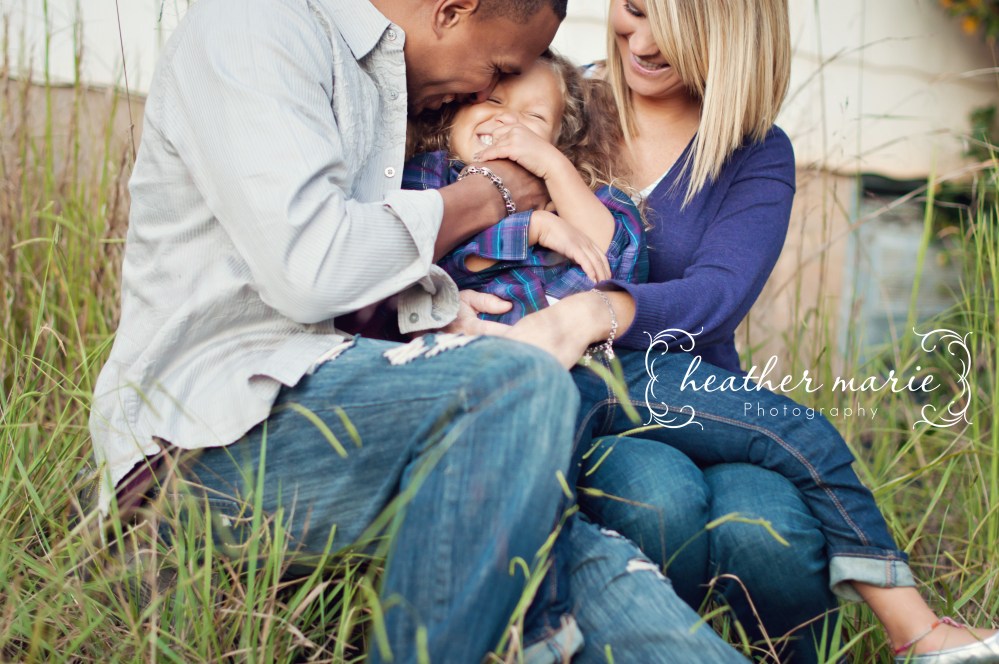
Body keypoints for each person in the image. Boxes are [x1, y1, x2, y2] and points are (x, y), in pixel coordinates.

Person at [88, 0, 753, 662]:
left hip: (365, 410)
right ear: (452, 11)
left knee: (589, 567)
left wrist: (441, 309)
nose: (486, 94)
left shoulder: (386, 75)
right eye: (498, 68)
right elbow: (312, 267)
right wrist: (494, 193)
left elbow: (367, 280)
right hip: (207, 441)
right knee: (518, 387)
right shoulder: (257, 27)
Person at [468, 1, 999, 662]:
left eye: (678, 29)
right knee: (660, 499)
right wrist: (448, 299)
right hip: (583, 394)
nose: (645, 42)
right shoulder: (558, 103)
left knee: (766, 528)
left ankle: (892, 638)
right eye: (634, 10)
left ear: (732, 35)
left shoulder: (755, 151)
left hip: (697, 396)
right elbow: (462, 205)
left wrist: (590, 312)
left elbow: (717, 296)